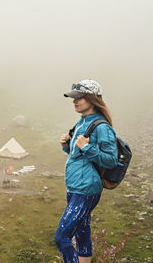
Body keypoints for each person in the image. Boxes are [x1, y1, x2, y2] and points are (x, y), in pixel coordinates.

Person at [55, 79, 118, 263]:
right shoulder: (81, 123)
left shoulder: (102, 127)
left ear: (92, 99)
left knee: (61, 237)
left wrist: (86, 148)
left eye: (79, 98)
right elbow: (78, 156)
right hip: (75, 187)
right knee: (82, 232)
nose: (74, 101)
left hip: (86, 189)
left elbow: (111, 159)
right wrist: (67, 145)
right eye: (73, 98)